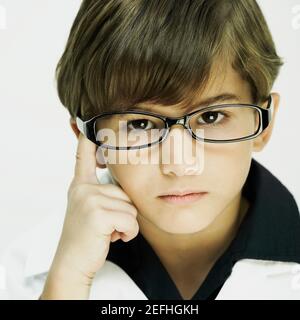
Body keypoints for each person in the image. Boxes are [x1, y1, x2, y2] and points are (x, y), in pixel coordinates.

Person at [1, 0, 300, 300]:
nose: (179, 165)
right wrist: (67, 283)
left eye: (211, 117)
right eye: (141, 124)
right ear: (91, 141)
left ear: (266, 123)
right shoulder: (24, 276)